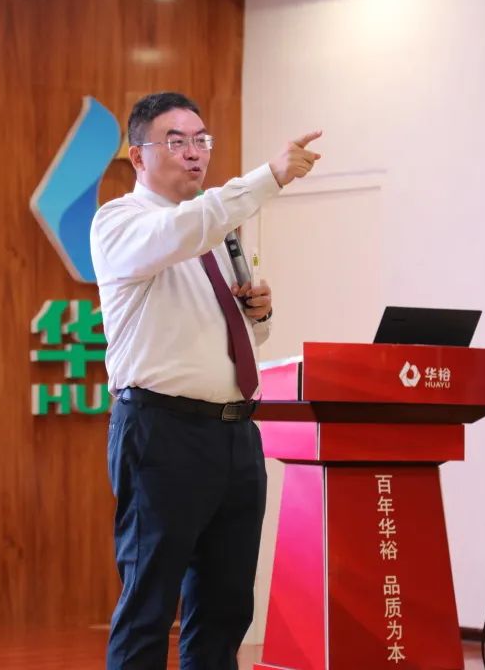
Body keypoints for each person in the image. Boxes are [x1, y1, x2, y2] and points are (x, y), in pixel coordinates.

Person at [91, 91, 322, 670]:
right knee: (149, 603)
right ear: (138, 156)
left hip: (236, 434)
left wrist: (259, 315)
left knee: (225, 608)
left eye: (201, 140)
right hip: (161, 431)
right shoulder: (120, 222)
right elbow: (185, 228)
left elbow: (236, 339)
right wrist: (269, 176)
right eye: (177, 142)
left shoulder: (215, 235)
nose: (194, 153)